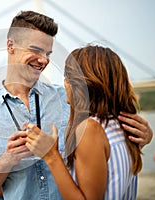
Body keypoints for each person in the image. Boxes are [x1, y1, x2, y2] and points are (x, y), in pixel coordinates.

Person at [0, 10, 153, 199]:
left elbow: (108, 138)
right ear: (10, 45)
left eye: (48, 53)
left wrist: (141, 136)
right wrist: (7, 160)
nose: (44, 60)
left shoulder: (73, 98)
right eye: (36, 50)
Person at [26, 45, 144, 199]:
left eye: (67, 77)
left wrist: (51, 155)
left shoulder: (90, 129)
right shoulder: (122, 126)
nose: (65, 84)